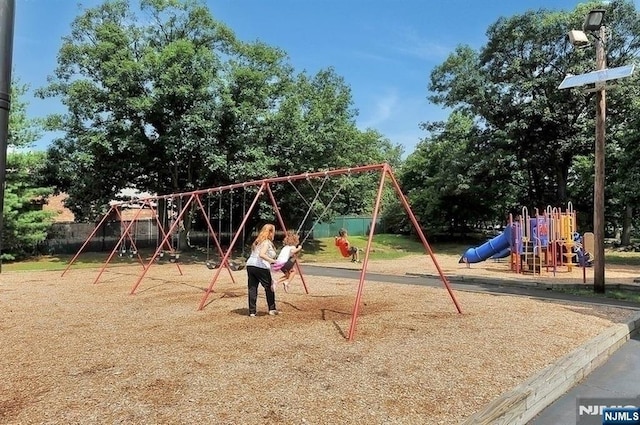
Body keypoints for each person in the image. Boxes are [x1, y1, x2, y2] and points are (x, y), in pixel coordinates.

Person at [245, 224, 279, 317]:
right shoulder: (266, 242)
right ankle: (272, 309)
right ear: (270, 232)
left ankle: (252, 311)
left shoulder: (257, 241)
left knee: (252, 288)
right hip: (260, 266)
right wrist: (274, 261)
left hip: (250, 265)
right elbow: (262, 254)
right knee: (269, 287)